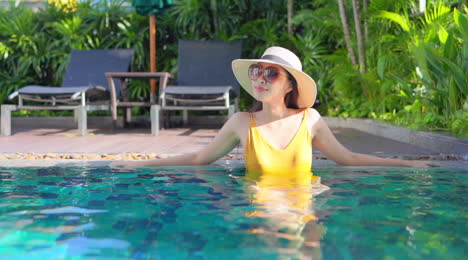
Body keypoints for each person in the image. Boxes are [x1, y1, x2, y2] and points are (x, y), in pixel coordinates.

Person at [111, 46, 439, 169]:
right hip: (256, 207)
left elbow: (348, 159)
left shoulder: (310, 120)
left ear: (289, 84)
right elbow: (200, 158)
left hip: (303, 207)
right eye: (257, 71)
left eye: (272, 73)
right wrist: (142, 165)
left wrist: (408, 166)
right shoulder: (242, 122)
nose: (261, 78)